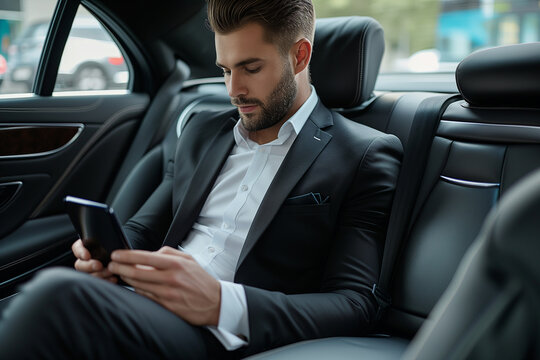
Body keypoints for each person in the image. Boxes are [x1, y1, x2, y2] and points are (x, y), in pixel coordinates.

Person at [0, 0, 402, 358]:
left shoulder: (364, 153)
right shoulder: (201, 131)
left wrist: (222, 303)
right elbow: (143, 227)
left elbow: (356, 303)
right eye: (225, 70)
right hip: (143, 303)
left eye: (250, 68)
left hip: (224, 332)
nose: (234, 89)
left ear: (299, 56)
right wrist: (109, 258)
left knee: (53, 296)